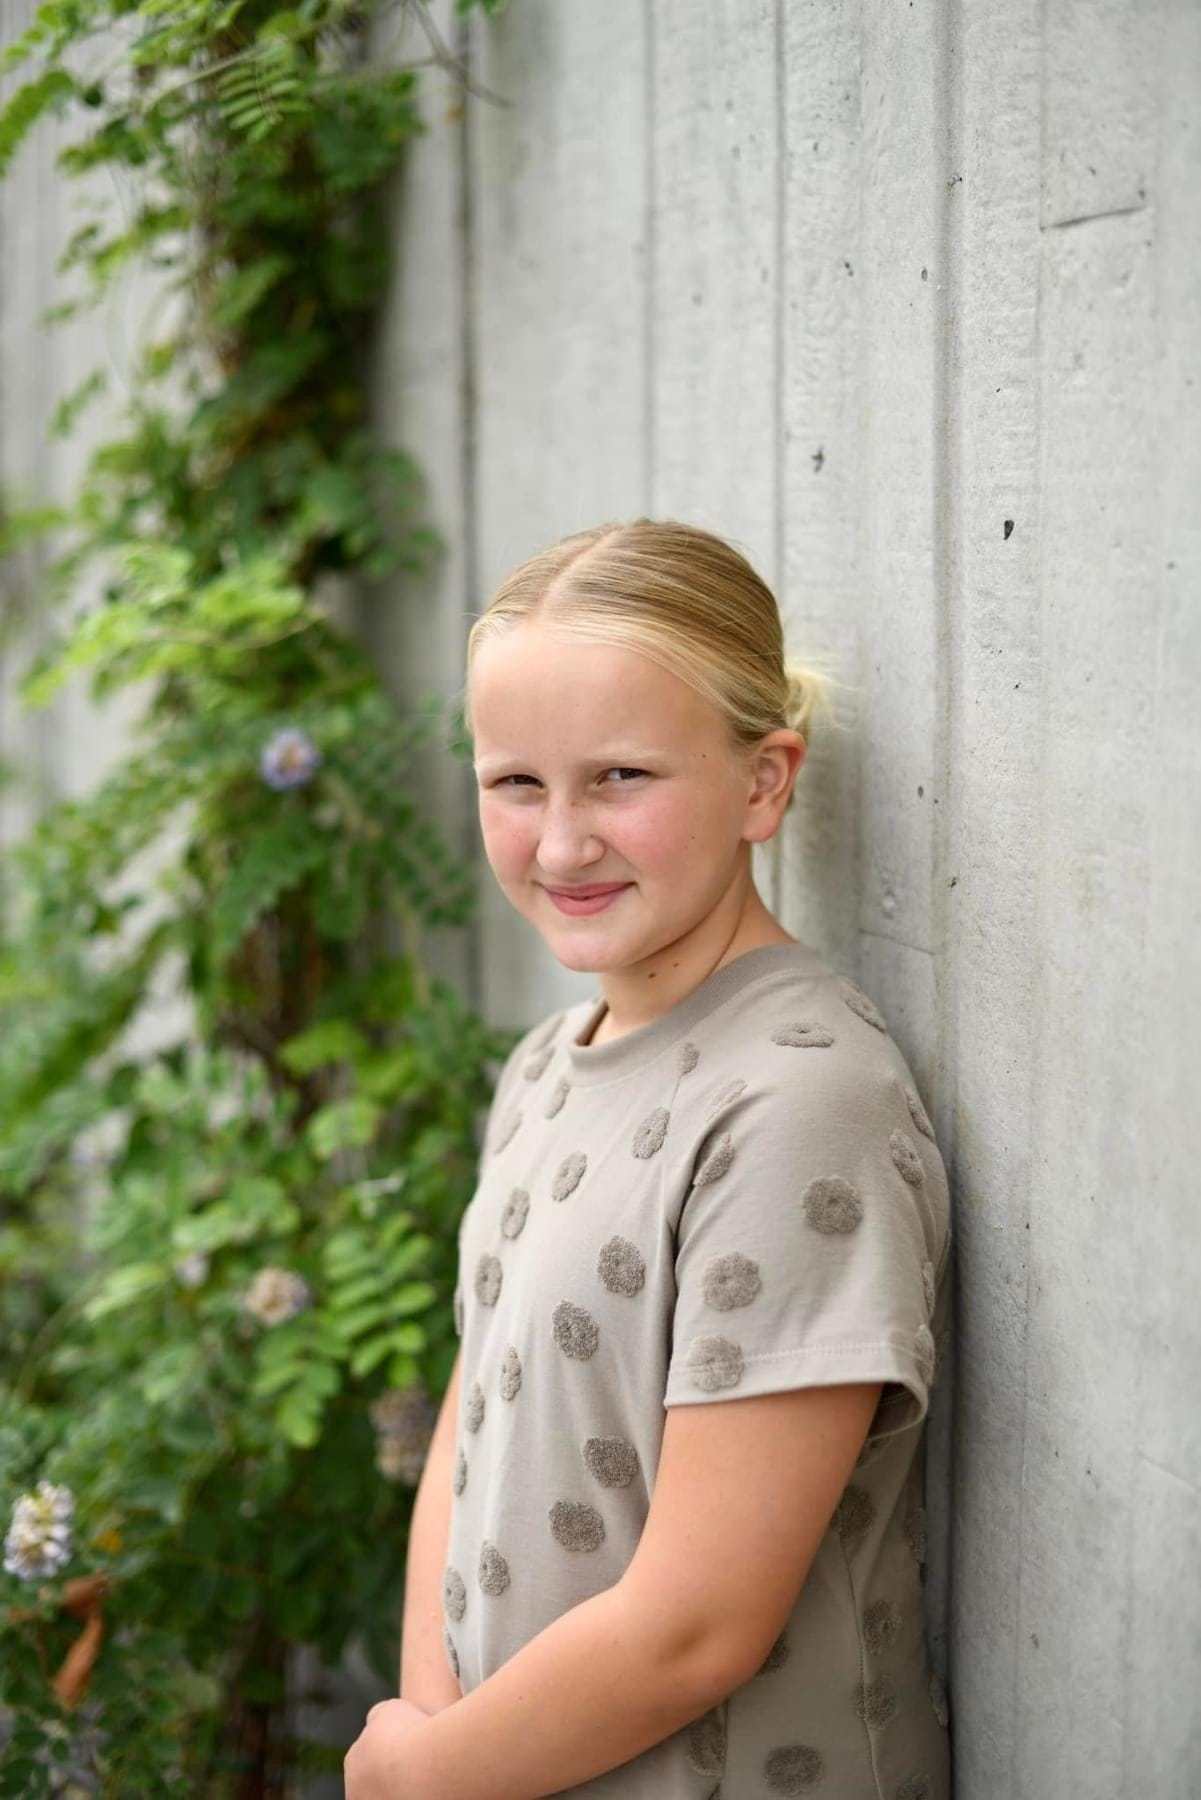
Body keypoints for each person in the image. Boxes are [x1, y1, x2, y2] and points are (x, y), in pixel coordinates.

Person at [344, 518, 953, 1800]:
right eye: (516, 783)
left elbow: (696, 1627)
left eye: (620, 777)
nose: (560, 844)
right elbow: (470, 1434)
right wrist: (428, 1728)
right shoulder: (544, 1068)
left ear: (763, 782)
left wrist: (430, 1777)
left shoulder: (796, 1102)